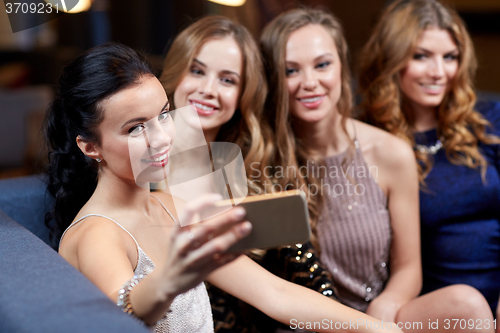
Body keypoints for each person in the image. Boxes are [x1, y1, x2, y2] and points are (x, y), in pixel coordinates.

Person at [44, 41, 405, 333]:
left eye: (164, 116)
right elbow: (126, 310)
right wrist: (172, 278)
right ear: (90, 146)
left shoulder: (172, 204)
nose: (162, 138)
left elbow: (274, 294)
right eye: (136, 128)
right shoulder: (97, 233)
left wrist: (375, 328)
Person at [260, 7, 494, 332]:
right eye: (290, 70)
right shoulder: (258, 157)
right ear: (272, 78)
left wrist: (382, 311)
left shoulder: (390, 151)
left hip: (376, 317)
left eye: (322, 64)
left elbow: (408, 269)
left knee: (465, 305)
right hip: (301, 322)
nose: (310, 82)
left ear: (342, 67)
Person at [160, 16, 338, 332]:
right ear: (175, 74)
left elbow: (306, 271)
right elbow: (272, 294)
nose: (208, 90)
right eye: (197, 71)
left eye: (227, 80)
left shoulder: (248, 167)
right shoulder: (146, 164)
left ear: (244, 94)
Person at [358, 0, 500, 324]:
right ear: (391, 60)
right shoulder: (371, 142)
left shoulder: (489, 122)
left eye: (450, 57)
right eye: (421, 56)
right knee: (468, 305)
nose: (439, 72)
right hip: (433, 309)